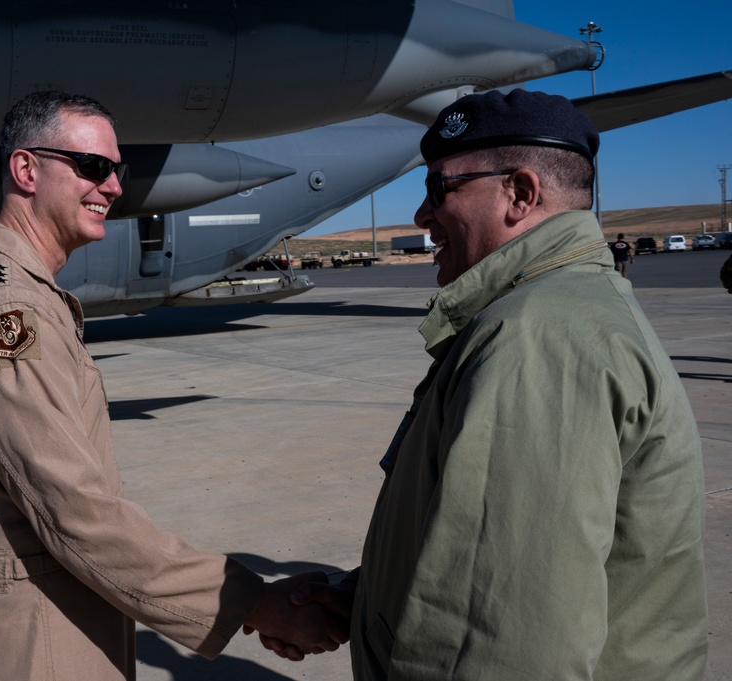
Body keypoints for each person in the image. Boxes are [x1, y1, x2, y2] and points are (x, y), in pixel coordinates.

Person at [268, 89, 709, 679]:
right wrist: (369, 597)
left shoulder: (541, 337)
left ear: (520, 194)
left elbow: (497, 638)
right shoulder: (556, 312)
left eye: (437, 190)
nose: (423, 216)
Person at [0, 91, 346, 681]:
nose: (114, 186)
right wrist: (254, 603)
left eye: (118, 169)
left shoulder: (21, 293)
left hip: (53, 619)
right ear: (25, 170)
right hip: (35, 642)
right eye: (92, 167)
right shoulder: (9, 310)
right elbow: (77, 513)